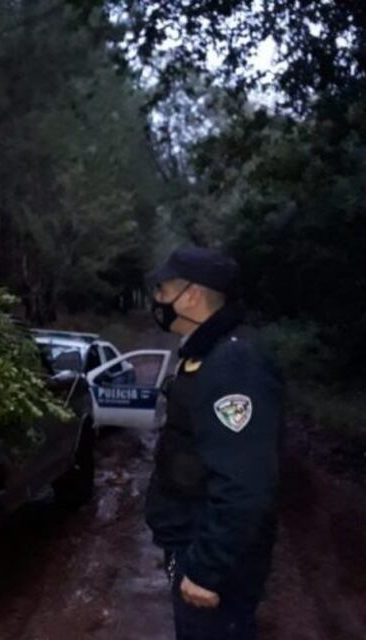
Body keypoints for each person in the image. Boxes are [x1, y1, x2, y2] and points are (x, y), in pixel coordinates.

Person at [145, 246, 284, 640]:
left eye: (163, 290)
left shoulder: (234, 362)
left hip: (211, 560)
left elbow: (246, 482)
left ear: (191, 295)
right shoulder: (207, 352)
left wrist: (206, 569)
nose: (158, 300)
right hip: (191, 543)